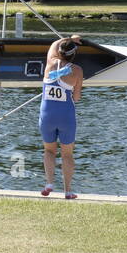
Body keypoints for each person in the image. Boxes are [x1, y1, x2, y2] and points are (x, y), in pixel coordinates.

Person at [39, 34, 84, 199]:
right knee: (67, 154)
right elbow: (77, 97)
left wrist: (68, 38)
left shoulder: (49, 63)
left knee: (49, 150)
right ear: (73, 54)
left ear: (59, 51)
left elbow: (54, 44)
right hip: (66, 116)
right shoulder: (77, 70)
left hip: (47, 115)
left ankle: (49, 183)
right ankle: (67, 191)